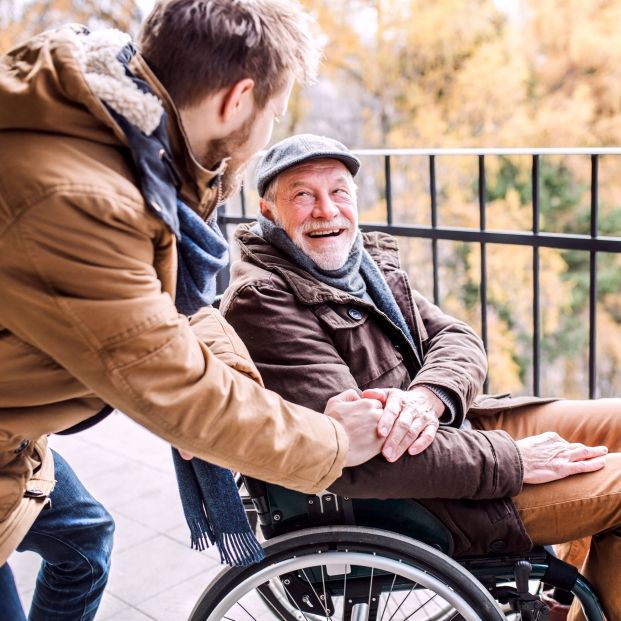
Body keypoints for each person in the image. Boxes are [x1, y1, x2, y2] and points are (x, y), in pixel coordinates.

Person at [0, 6, 386, 619]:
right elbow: (177, 391)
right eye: (273, 116)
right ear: (238, 101)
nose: (264, 139)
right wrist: (333, 444)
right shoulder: (77, 201)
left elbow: (182, 308)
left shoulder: (128, 135)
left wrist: (256, 393)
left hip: (18, 433)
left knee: (84, 541)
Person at [220, 133, 621, 621]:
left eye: (339, 191)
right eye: (303, 195)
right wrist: (512, 458)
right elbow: (357, 460)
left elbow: (459, 339)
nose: (326, 210)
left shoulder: (362, 264)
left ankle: (569, 608)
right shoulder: (263, 300)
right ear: (267, 210)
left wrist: (427, 398)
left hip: (456, 432)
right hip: (427, 495)